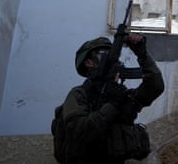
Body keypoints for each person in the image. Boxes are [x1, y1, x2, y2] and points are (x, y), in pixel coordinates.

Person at [60, 33, 164, 164]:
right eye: (103, 53)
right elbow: (79, 131)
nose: (110, 58)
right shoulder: (79, 95)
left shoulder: (120, 94)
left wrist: (142, 54)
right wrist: (112, 104)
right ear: (88, 62)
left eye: (111, 53)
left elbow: (155, 87)